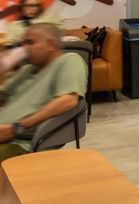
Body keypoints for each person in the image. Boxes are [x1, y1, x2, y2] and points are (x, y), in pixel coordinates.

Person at [0, 23, 87, 162]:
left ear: (51, 44)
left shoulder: (69, 60)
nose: (24, 48)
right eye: (23, 44)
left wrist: (17, 128)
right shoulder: (26, 69)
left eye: (30, 42)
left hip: (18, 141)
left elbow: (68, 100)